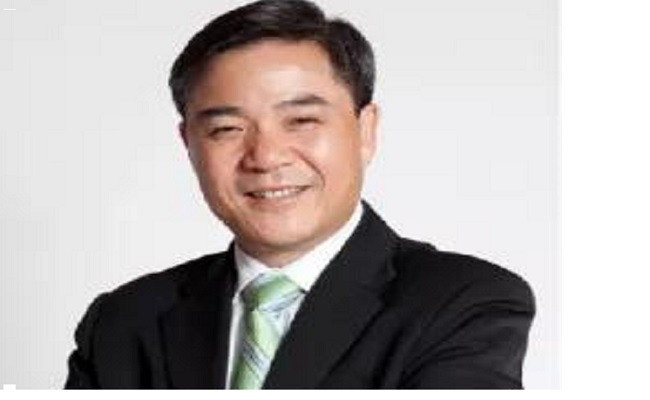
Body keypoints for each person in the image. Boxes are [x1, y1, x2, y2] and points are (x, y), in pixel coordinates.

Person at [65, 0, 535, 389]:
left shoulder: (463, 302)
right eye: (227, 128)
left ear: (365, 130)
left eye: (302, 120)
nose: (265, 157)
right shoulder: (124, 323)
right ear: (189, 144)